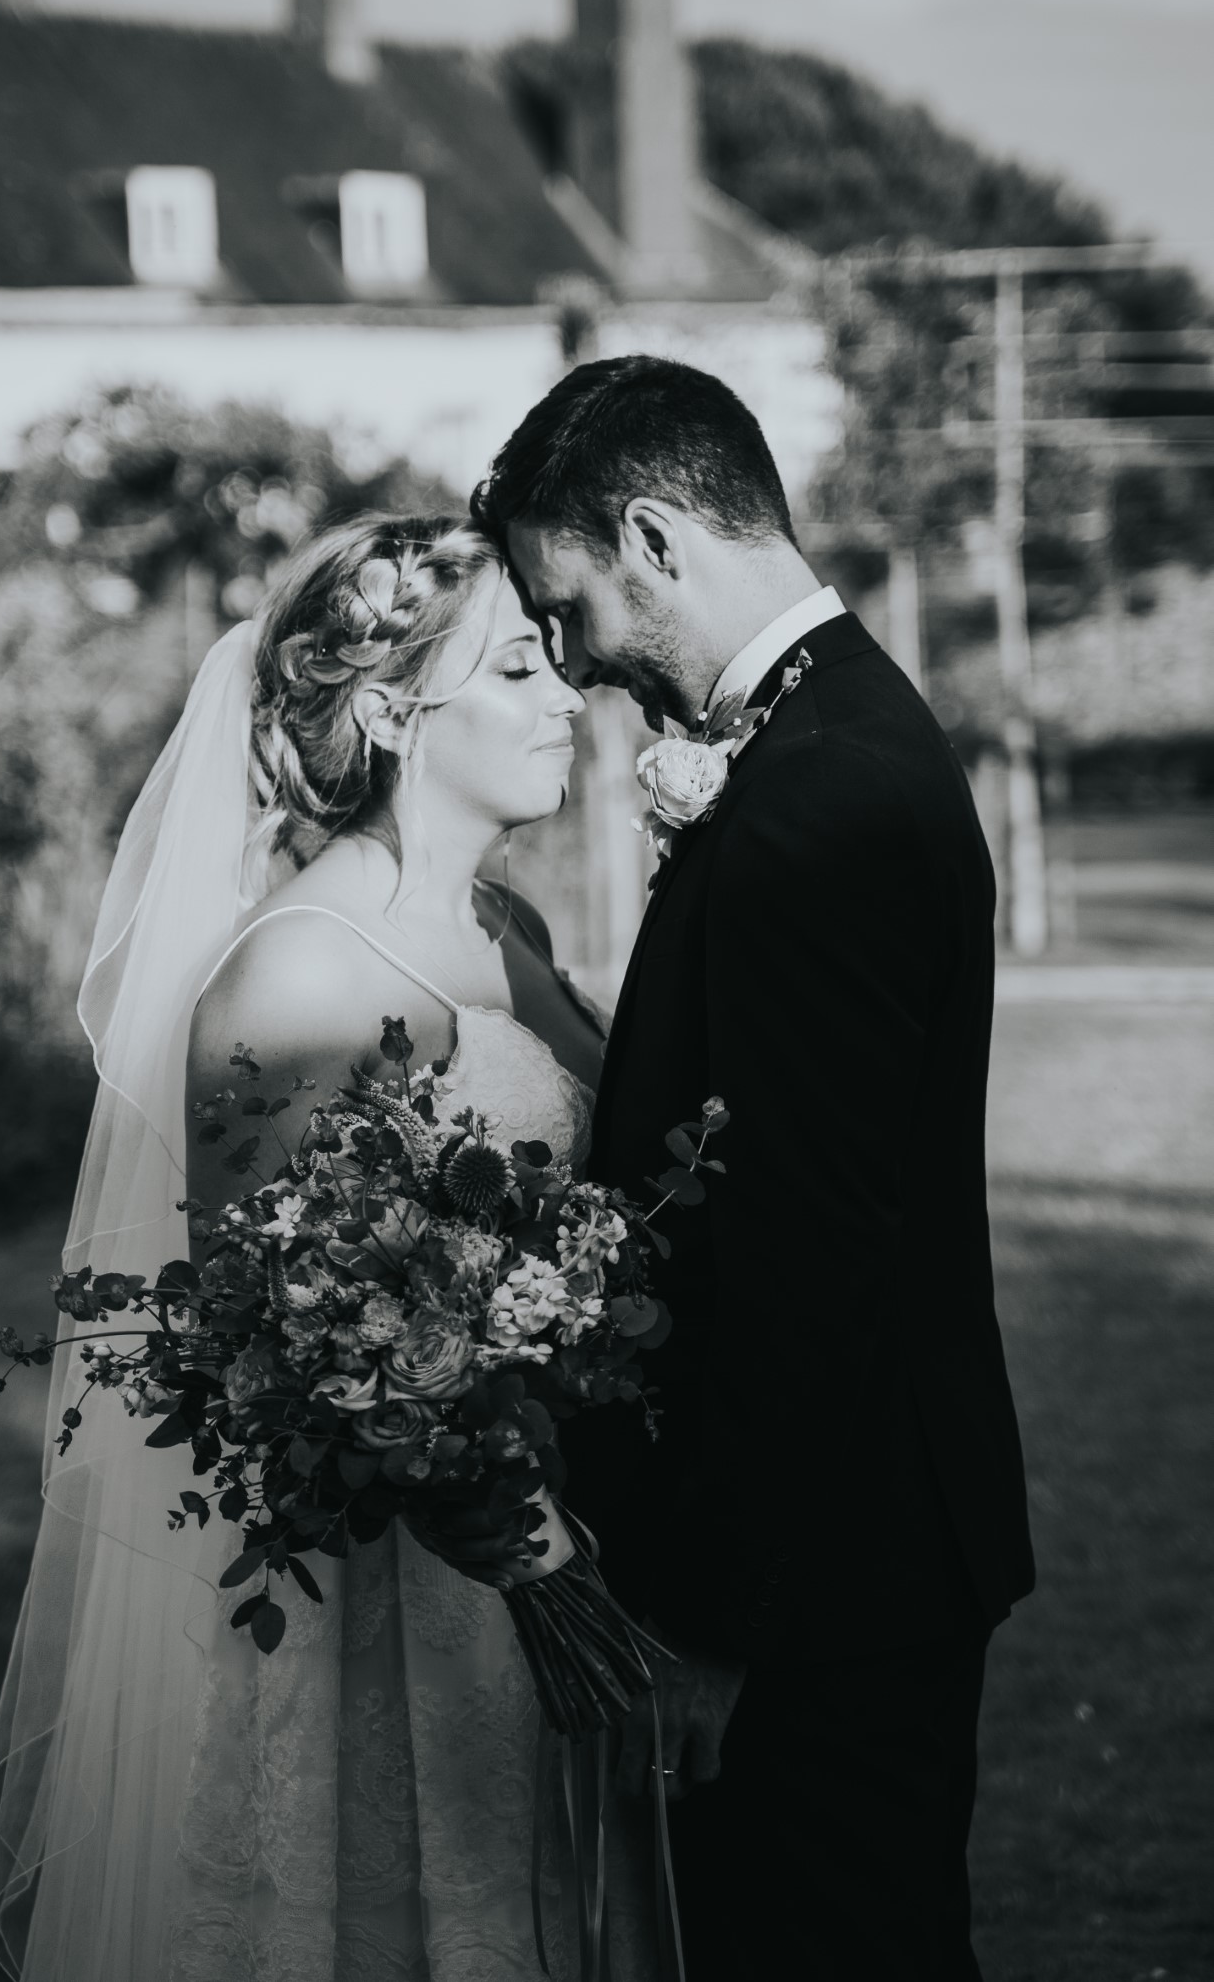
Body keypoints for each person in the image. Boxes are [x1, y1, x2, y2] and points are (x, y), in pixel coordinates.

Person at [0, 513, 637, 1982]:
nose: (568, 695)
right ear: (395, 712)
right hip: (399, 1603)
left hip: (560, 1524)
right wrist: (478, 1482)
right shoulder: (298, 973)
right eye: (519, 668)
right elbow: (265, 1332)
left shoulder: (509, 923)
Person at [475, 353, 1036, 1982]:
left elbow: (808, 1256)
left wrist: (720, 1626)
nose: (572, 660)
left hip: (828, 1581)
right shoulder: (832, 737)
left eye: (569, 607)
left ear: (654, 537)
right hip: (857, 1549)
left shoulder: (820, 798)